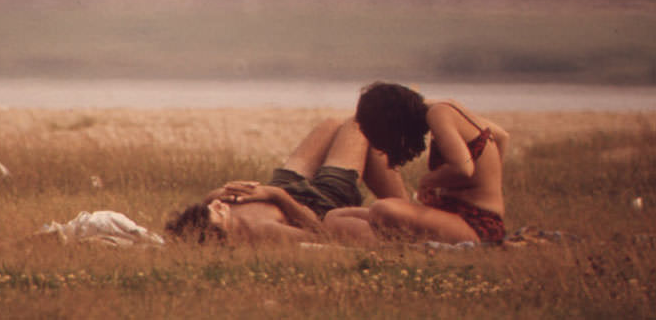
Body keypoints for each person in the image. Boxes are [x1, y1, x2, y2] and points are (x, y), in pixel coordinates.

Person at [164, 116, 408, 244]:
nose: (217, 207)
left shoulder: (217, 210)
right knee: (361, 125)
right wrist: (277, 196)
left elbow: (206, 204)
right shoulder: (261, 231)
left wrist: (219, 194)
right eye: (216, 213)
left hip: (281, 185)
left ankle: (405, 212)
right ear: (220, 231)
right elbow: (320, 232)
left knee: (331, 124)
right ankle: (408, 215)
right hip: (317, 200)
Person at [342, 81, 510, 244]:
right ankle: (392, 240)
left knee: (382, 209)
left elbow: (463, 168)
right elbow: (501, 136)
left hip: (477, 222)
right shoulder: (447, 108)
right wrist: (488, 178)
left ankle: (395, 242)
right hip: (452, 214)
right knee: (337, 216)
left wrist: (426, 183)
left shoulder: (438, 113)